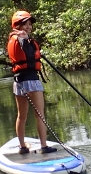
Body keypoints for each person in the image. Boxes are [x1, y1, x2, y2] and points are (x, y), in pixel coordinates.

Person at [7, 10, 56, 154]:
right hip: (31, 81)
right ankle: (43, 146)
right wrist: (28, 42)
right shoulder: (22, 38)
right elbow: (28, 53)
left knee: (21, 116)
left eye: (29, 24)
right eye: (25, 24)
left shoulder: (13, 39)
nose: (28, 27)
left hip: (19, 82)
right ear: (17, 25)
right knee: (39, 114)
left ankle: (22, 146)